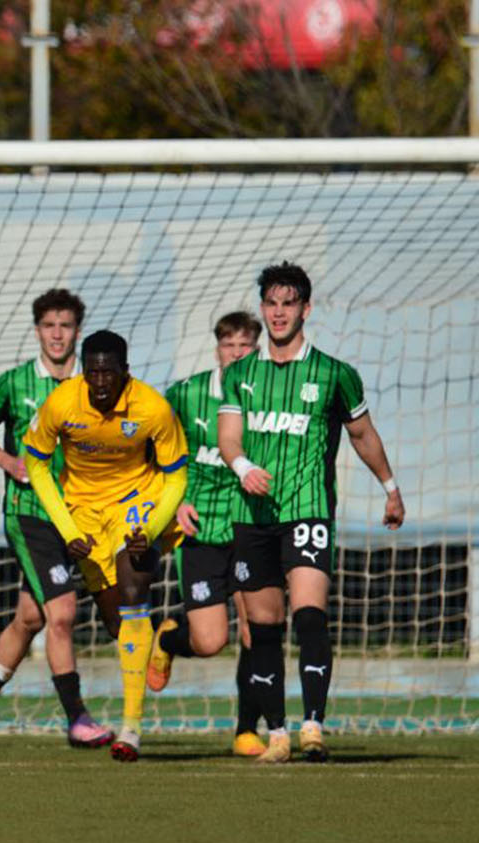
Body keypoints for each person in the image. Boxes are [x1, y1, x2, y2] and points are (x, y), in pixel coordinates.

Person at [218, 262, 404, 763]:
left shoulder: (334, 374)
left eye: (289, 303)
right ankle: (277, 735)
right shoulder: (239, 374)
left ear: (306, 308)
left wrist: (390, 487)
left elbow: (362, 435)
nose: (279, 313)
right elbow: (229, 437)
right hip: (252, 514)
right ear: (263, 309)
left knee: (309, 614)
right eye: (271, 303)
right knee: (263, 626)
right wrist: (242, 467)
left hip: (308, 510)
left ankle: (313, 726)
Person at [23, 330, 188, 762]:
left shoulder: (152, 408)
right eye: (92, 373)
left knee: (135, 591)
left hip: (137, 502)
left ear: (125, 373)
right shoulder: (62, 402)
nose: (99, 382)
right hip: (83, 513)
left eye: (108, 374)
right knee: (118, 625)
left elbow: (176, 477)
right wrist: (67, 529)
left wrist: (151, 528)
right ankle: (159, 640)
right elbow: (36, 465)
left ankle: (131, 728)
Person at [0, 288, 114, 750]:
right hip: (29, 515)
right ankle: (77, 718)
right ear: (37, 331)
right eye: (49, 326)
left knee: (30, 617)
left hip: (79, 517)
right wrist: (8, 463)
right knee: (62, 613)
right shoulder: (15, 383)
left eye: (65, 326)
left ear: (78, 332)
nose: (57, 334)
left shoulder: (93, 385)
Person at [152, 311, 266, 757]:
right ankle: (168, 637)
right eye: (228, 345)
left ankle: (246, 730)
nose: (236, 354)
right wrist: (175, 501)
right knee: (209, 641)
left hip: (249, 526)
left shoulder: (267, 398)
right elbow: (155, 453)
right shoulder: (186, 394)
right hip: (200, 530)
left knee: (256, 630)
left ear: (257, 349)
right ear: (217, 349)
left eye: (244, 346)